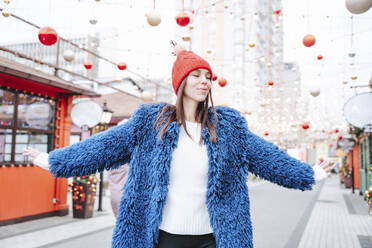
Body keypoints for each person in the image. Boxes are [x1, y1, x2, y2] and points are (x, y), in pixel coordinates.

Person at [24, 44, 334, 248]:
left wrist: (310, 174)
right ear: (180, 83)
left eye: (208, 77)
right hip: (161, 237)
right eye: (197, 75)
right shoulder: (150, 124)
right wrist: (52, 161)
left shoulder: (228, 128)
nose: (205, 81)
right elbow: (102, 147)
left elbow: (268, 157)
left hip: (215, 238)